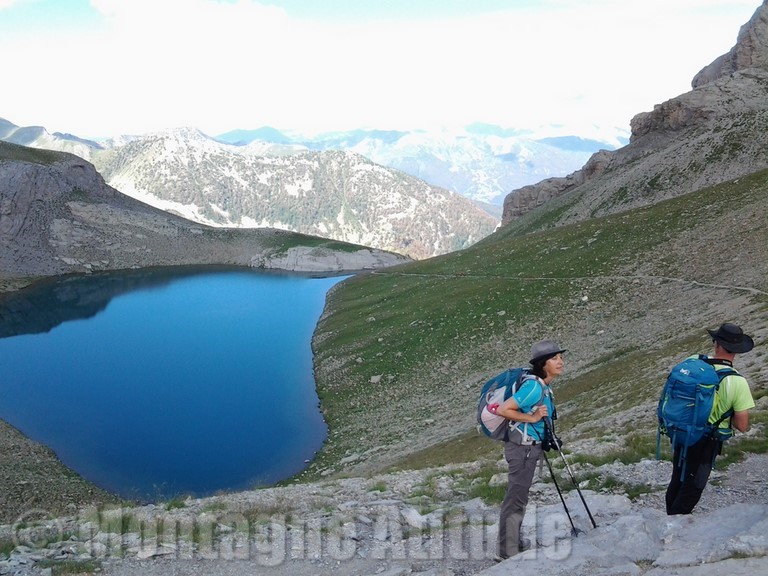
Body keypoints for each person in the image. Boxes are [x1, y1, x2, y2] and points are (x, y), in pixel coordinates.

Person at [665, 322, 756, 515]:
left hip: (683, 431)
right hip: (707, 440)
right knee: (693, 486)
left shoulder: (695, 362)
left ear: (717, 344)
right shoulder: (737, 381)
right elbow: (742, 425)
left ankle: (669, 516)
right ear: (736, 350)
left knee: (678, 478)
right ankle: (674, 523)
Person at [487, 339, 566, 560]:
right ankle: (507, 551)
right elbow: (504, 409)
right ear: (542, 364)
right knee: (516, 499)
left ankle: (514, 541)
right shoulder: (534, 387)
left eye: (560, 357)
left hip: (529, 447)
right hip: (523, 449)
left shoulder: (543, 386)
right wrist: (532, 418)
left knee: (519, 497)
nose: (560, 361)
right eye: (554, 358)